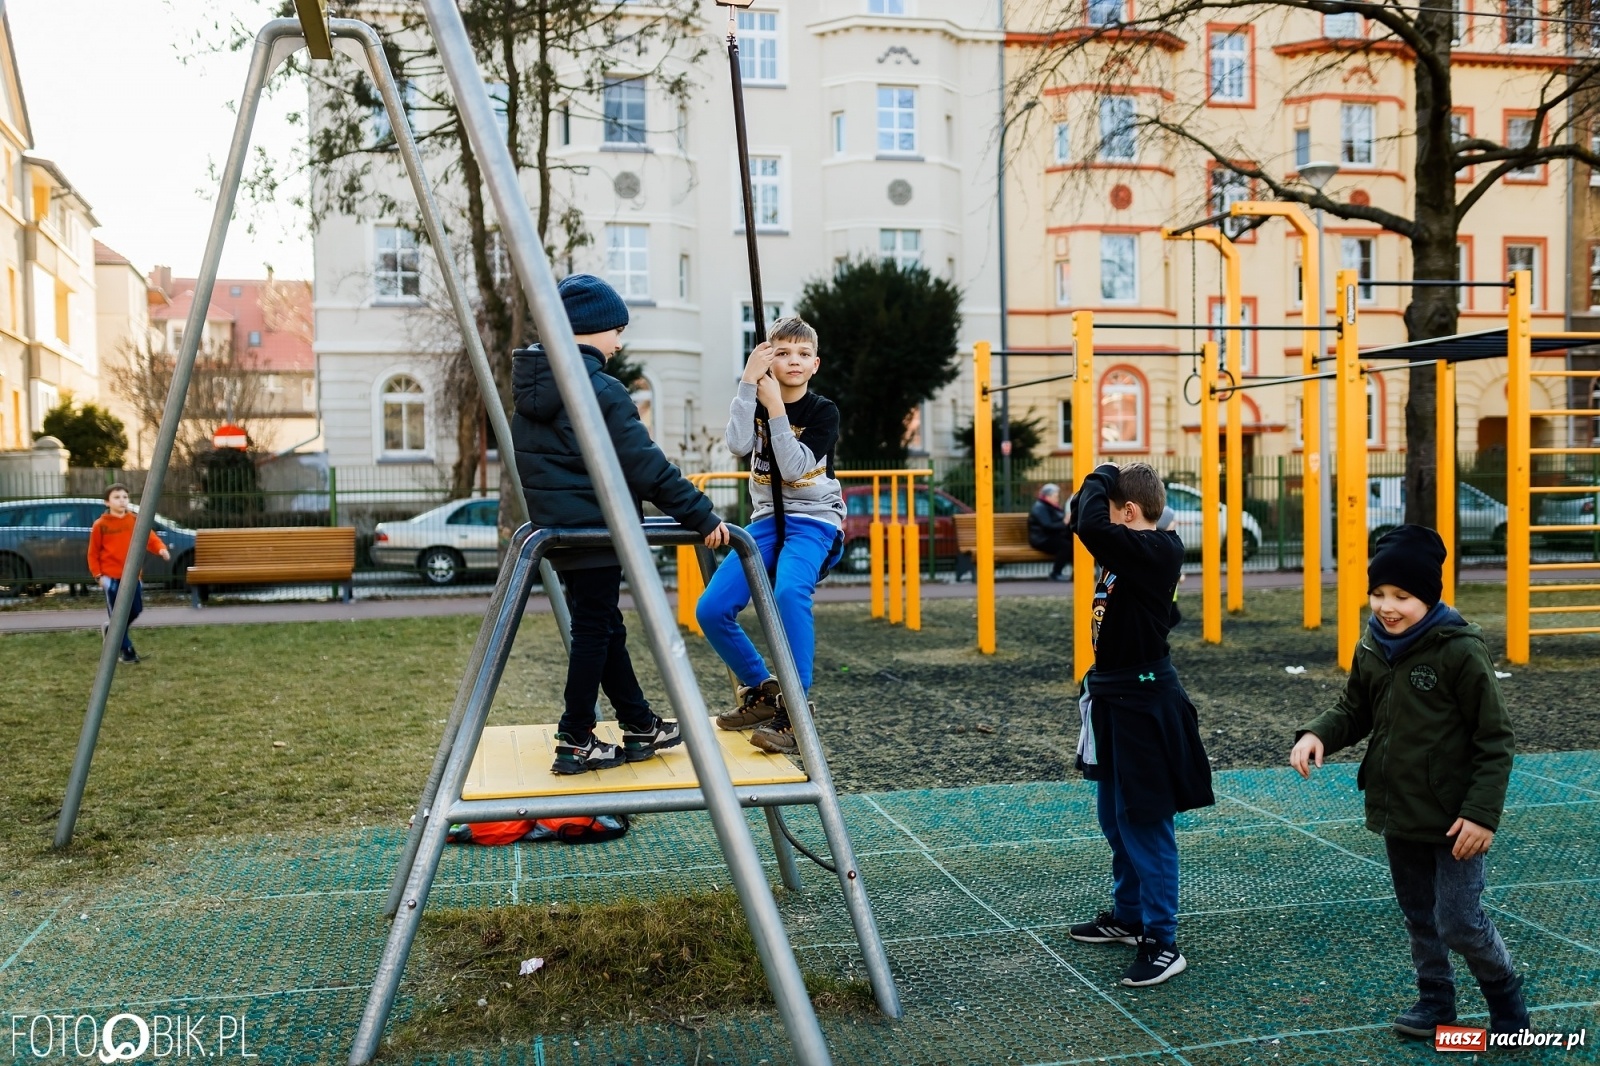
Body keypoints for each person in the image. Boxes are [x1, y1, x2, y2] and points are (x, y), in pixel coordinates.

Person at [1289, 525, 1528, 1041]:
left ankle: (1505, 995)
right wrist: (1318, 735)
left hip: (1456, 818)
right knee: (1419, 915)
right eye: (1378, 594)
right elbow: (1355, 708)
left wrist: (1482, 814)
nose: (1387, 607)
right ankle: (1435, 1000)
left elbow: (1495, 738)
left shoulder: (1459, 650)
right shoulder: (1373, 645)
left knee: (1459, 921)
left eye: (1402, 596)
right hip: (1400, 809)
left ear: (1429, 596)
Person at [512, 273, 731, 775]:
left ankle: (638, 723)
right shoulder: (599, 390)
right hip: (597, 525)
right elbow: (646, 466)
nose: (619, 342)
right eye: (616, 330)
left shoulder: (534, 391)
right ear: (591, 330)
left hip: (562, 529)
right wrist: (700, 514)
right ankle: (575, 738)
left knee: (604, 625)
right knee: (595, 628)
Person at [1065, 462, 1214, 987]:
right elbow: (1083, 524)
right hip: (1111, 697)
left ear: (1129, 513)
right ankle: (1129, 918)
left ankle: (1162, 941)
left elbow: (1088, 526)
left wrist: (1102, 473)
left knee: (1146, 823)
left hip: (1144, 705)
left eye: (1111, 514)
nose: (1101, 526)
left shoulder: (1159, 548)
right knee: (1114, 816)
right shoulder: (1131, 552)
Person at [697, 316, 844, 756]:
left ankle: (796, 710)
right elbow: (738, 445)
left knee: (788, 592)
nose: (793, 361)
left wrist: (777, 409)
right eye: (781, 353)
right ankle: (763, 690)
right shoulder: (755, 399)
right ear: (767, 359)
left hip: (814, 519)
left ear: (815, 364)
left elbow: (796, 467)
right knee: (712, 608)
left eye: (802, 354)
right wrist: (747, 385)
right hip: (765, 521)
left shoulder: (823, 411)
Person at [87, 483, 170, 664]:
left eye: (125, 497)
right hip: (111, 578)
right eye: (117, 497)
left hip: (132, 577)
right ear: (107, 502)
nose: (122, 501)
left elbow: (150, 538)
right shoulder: (100, 525)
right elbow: (93, 553)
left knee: (136, 609)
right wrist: (98, 576)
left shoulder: (135, 521)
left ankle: (111, 631)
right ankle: (127, 651)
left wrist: (161, 549)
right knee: (118, 615)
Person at [1028, 483, 1072, 581]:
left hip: (1050, 536)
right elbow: (1047, 526)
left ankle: (1076, 572)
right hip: (1041, 539)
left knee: (1075, 542)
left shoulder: (1050, 506)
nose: (1057, 499)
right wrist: (1064, 522)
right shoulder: (1040, 507)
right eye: (1055, 496)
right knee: (1065, 545)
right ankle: (1055, 574)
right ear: (1047, 496)